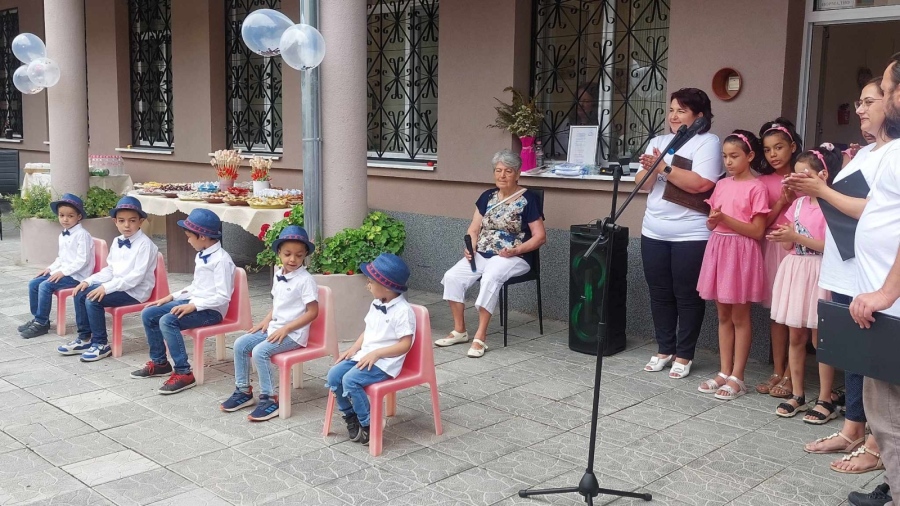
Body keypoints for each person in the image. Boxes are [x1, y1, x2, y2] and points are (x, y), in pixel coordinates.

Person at [791, 77, 898, 475]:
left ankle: (876, 444)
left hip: (875, 276)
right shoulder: (863, 153)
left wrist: (820, 189)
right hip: (845, 264)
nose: (861, 108)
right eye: (860, 101)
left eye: (872, 99)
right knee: (855, 359)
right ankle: (854, 427)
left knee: (877, 367)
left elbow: (869, 211)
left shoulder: (894, 154)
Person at [636, 88, 723, 379]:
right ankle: (664, 349)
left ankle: (684, 354)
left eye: (681, 111)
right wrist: (651, 170)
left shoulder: (706, 142)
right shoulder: (659, 141)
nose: (673, 116)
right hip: (654, 229)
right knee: (659, 293)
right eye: (671, 110)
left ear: (699, 116)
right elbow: (642, 183)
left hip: (691, 234)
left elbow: (701, 183)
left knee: (686, 295)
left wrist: (663, 167)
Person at [846, 52, 900, 505]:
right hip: (886, 304)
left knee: (888, 419)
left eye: (885, 89)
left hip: (893, 307)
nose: (880, 99)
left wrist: (886, 290)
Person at [437, 149, 546, 358]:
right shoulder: (487, 196)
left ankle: (480, 336)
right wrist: (470, 247)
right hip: (483, 253)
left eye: (508, 171)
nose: (502, 176)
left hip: (514, 257)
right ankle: (460, 330)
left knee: (490, 277)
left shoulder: (528, 199)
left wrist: (517, 250)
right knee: (452, 277)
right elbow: (473, 229)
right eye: (498, 171)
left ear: (517, 174)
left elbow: (540, 237)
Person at [768, 145, 840, 420]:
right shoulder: (796, 204)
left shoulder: (832, 204)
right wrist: (784, 236)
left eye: (803, 175)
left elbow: (831, 246)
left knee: (820, 337)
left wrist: (798, 238)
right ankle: (798, 393)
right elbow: (789, 243)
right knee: (795, 334)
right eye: (794, 175)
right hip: (796, 271)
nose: (796, 180)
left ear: (823, 175)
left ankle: (825, 398)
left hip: (820, 272)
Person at [695, 130, 768, 400]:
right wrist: (714, 221)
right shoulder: (722, 184)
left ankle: (739, 375)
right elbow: (712, 221)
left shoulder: (756, 187)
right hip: (719, 248)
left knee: (740, 316)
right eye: (725, 156)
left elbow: (757, 231)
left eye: (734, 156)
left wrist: (724, 217)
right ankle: (724, 371)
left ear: (750, 156)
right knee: (723, 315)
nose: (728, 162)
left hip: (741, 252)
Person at [132, 208, 235, 394]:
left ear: (202, 236)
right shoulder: (201, 255)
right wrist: (173, 296)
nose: (188, 240)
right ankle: (160, 362)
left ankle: (184, 372)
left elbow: (223, 296)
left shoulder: (222, 261)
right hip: (194, 302)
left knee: (168, 320)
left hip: (211, 311)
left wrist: (194, 305)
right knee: (149, 312)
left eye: (189, 236)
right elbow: (197, 285)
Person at [221, 225, 318, 421]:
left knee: (260, 352)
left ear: (305, 255)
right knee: (241, 344)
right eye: (288, 254)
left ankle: (270, 399)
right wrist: (266, 320)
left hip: (293, 334)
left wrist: (287, 328)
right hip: (275, 328)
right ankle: (243, 391)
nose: (293, 259)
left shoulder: (305, 280)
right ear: (279, 253)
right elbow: (278, 303)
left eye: (299, 255)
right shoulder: (279, 273)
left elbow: (313, 312)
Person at [325, 253, 415, 446]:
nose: (368, 285)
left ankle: (369, 423)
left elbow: (405, 344)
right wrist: (354, 348)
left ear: (385, 286)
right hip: (364, 356)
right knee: (334, 375)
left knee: (350, 380)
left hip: (383, 363)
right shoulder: (376, 303)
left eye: (370, 282)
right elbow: (368, 330)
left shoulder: (403, 312)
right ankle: (351, 416)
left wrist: (377, 353)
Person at [60, 196, 158, 362]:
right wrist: (88, 281)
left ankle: (101, 344)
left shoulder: (145, 245)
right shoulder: (117, 241)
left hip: (135, 291)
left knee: (93, 300)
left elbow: (135, 278)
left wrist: (106, 288)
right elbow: (110, 270)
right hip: (118, 285)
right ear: (115, 222)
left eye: (132, 220)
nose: (127, 225)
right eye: (122, 220)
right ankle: (85, 338)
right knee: (80, 292)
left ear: (141, 221)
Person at [755, 119, 802, 397]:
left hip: (797, 250)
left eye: (779, 147)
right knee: (776, 311)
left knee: (793, 311)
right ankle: (777, 368)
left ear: (792, 147)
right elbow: (764, 221)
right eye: (768, 149)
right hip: (772, 246)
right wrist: (782, 201)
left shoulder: (803, 177)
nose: (773, 154)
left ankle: (789, 373)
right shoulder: (763, 182)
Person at [20, 193, 95, 339]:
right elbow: (61, 258)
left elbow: (82, 260)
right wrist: (50, 268)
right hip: (64, 272)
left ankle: (41, 324)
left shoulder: (82, 235)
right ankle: (39, 318)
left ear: (79, 217)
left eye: (70, 216)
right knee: (34, 283)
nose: (65, 219)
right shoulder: (63, 234)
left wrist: (63, 272)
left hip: (77, 275)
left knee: (45, 286)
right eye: (61, 215)